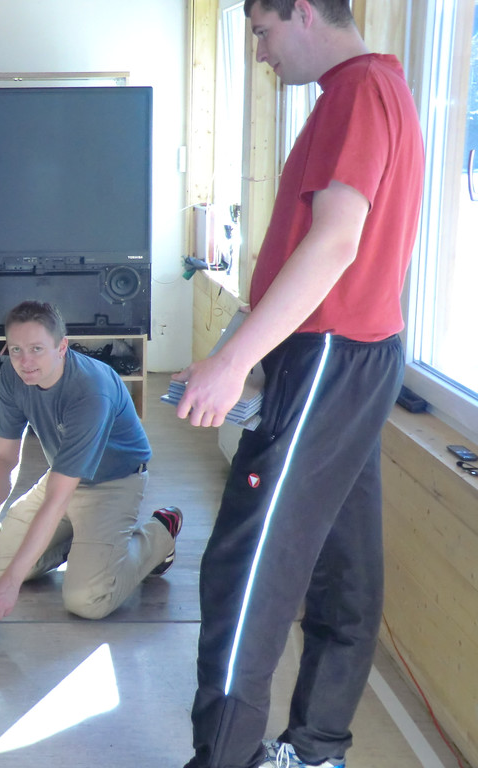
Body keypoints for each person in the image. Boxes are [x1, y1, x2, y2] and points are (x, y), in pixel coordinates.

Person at [174, 2, 424, 766]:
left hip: (327, 357)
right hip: (354, 358)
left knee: (244, 572)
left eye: (262, 31)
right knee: (346, 566)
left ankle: (224, 759)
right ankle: (315, 751)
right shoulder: (376, 89)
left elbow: (335, 244)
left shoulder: (358, 93)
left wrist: (232, 363)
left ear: (306, 12)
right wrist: (243, 349)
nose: (260, 53)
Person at [0, 300, 182, 622]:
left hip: (114, 482)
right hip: (62, 475)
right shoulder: (11, 376)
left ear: (62, 347)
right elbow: (4, 457)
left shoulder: (90, 391)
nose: (25, 362)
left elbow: (57, 499)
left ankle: (160, 532)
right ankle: (82, 545)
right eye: (15, 350)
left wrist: (14, 583)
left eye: (37, 349)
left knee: (88, 600)